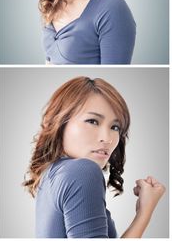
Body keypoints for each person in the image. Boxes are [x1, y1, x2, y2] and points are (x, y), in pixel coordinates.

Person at [23, 77, 165, 238]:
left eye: (115, 127)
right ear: (61, 122)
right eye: (92, 121)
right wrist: (145, 212)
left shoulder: (50, 174)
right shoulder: (82, 171)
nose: (107, 138)